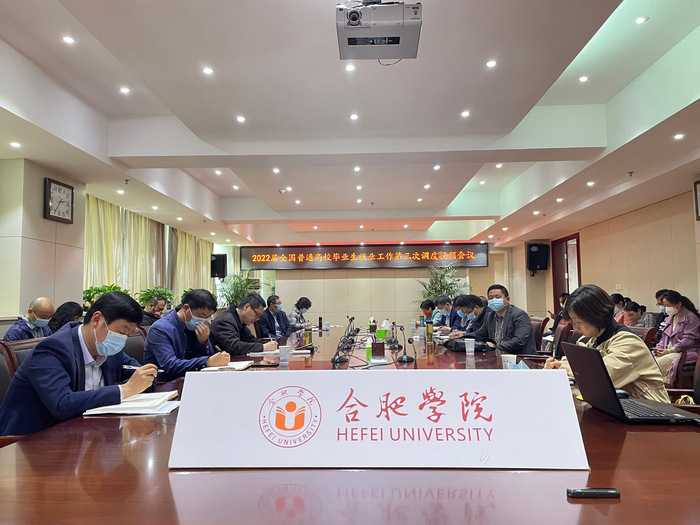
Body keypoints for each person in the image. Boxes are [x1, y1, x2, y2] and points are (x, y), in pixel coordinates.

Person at [0, 292, 158, 436]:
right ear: (97, 319)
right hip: (30, 442)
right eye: (122, 332)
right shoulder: (53, 349)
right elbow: (62, 404)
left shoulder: (108, 348)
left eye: (128, 335)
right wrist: (125, 389)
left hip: (86, 433)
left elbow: (145, 377)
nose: (122, 340)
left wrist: (133, 384)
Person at [544, 284, 669, 402]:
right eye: (573, 322)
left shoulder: (628, 343)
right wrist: (558, 365)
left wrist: (568, 368)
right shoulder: (595, 339)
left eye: (578, 322)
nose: (575, 328)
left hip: (652, 411)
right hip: (621, 405)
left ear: (596, 316)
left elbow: (600, 379)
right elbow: (579, 362)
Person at [144, 289, 229, 380]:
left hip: (193, 379)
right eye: (201, 316)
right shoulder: (160, 329)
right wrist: (207, 361)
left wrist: (203, 342)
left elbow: (209, 360)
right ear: (185, 308)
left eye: (207, 317)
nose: (204, 320)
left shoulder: (194, 327)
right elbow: (171, 366)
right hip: (165, 383)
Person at [468, 284, 535, 354]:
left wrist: (495, 346)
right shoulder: (490, 316)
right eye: (491, 298)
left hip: (518, 357)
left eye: (497, 297)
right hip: (496, 355)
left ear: (507, 299)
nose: (494, 300)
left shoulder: (519, 315)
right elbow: (480, 334)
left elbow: (519, 341)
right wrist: (463, 336)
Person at [653, 290, 700, 384]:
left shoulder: (691, 317)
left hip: (685, 352)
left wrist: (670, 350)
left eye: (668, 306)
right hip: (667, 350)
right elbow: (663, 338)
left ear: (678, 304)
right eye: (665, 306)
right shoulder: (669, 318)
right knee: (648, 361)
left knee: (657, 364)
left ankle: (666, 387)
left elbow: (688, 340)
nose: (666, 309)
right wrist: (658, 348)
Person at [210, 293, 278, 356]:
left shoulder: (239, 320)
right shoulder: (225, 320)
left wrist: (268, 345)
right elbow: (234, 347)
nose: (257, 319)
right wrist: (262, 347)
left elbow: (250, 339)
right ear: (246, 307)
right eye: (257, 314)